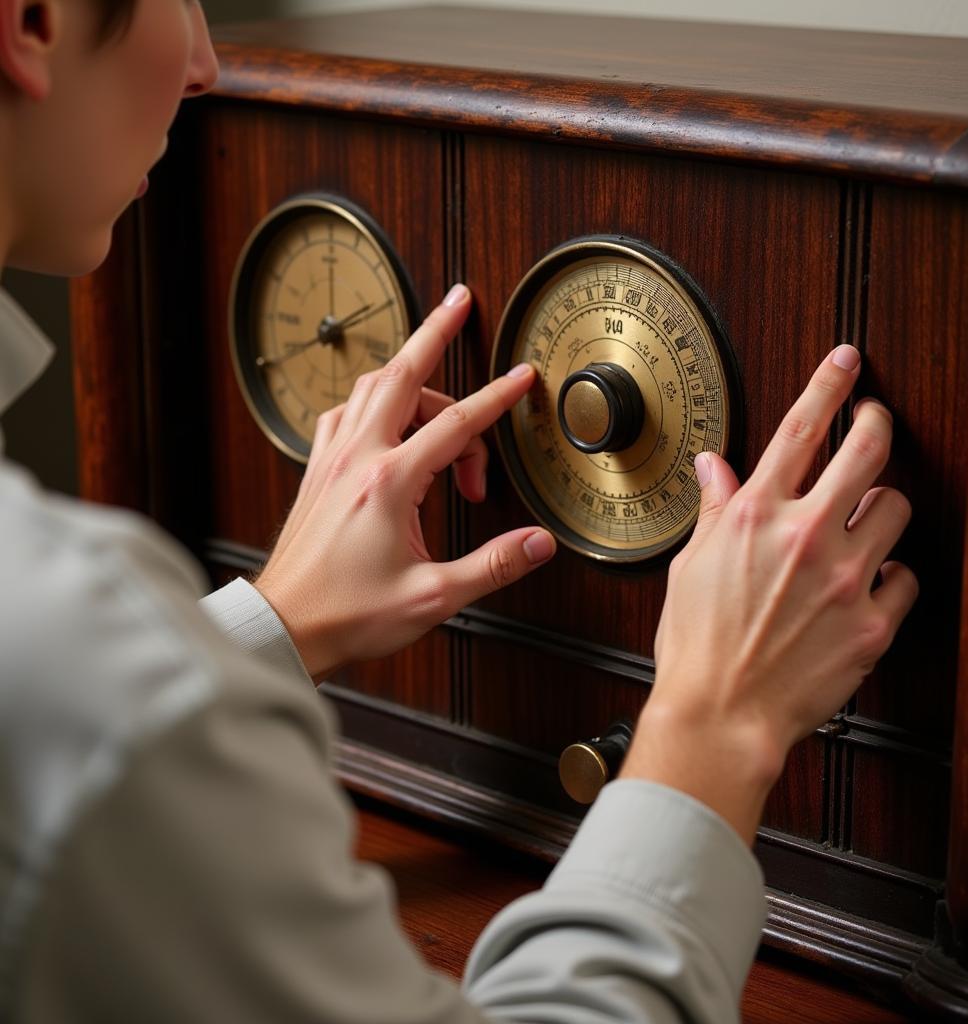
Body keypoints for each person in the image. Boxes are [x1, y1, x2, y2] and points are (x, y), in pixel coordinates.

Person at [0, 0, 918, 1021]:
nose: (208, 62)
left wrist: (267, 624)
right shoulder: (68, 651)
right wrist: (717, 718)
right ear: (31, 21)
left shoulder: (68, 656)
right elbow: (79, 704)